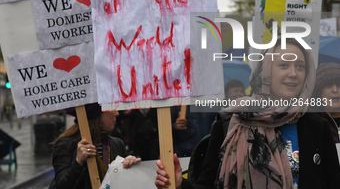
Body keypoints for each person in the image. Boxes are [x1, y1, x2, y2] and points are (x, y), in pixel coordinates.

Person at [155, 38, 340, 189]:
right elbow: (207, 185)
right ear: (265, 71)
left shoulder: (316, 125)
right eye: (284, 65)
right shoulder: (231, 121)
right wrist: (180, 184)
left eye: (300, 66)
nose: (294, 73)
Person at [52, 103, 141, 189]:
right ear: (96, 115)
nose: (117, 113)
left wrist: (130, 166)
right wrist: (78, 162)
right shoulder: (66, 144)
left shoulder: (116, 144)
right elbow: (61, 185)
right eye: (111, 107)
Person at [312, 62, 340, 143]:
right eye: (328, 85)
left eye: (339, 85)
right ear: (319, 92)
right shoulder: (309, 122)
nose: (335, 90)